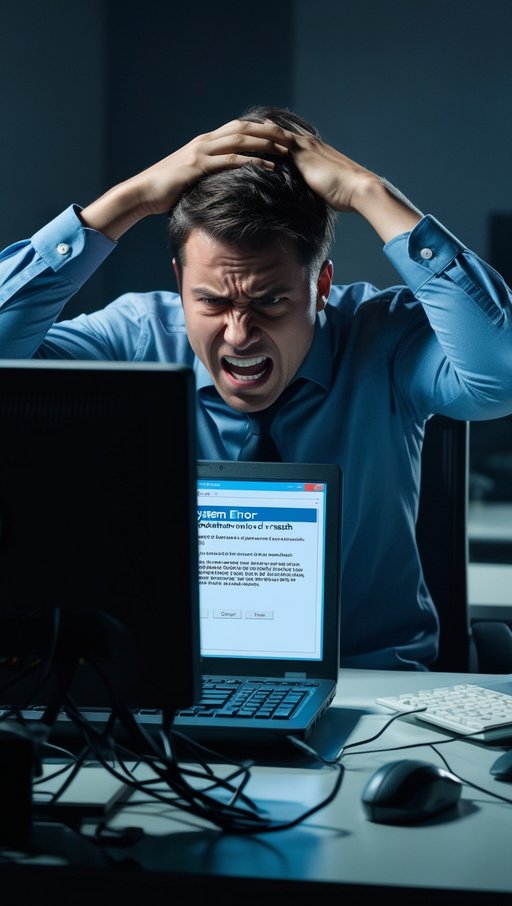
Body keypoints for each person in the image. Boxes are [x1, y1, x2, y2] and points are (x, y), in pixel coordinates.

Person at [1, 105, 511, 670]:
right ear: (179, 282)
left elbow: (501, 380)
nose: (239, 335)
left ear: (320, 284)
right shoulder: (135, 339)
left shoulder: (383, 338)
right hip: (165, 691)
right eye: (213, 301)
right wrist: (127, 201)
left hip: (370, 686)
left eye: (270, 301)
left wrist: (369, 191)